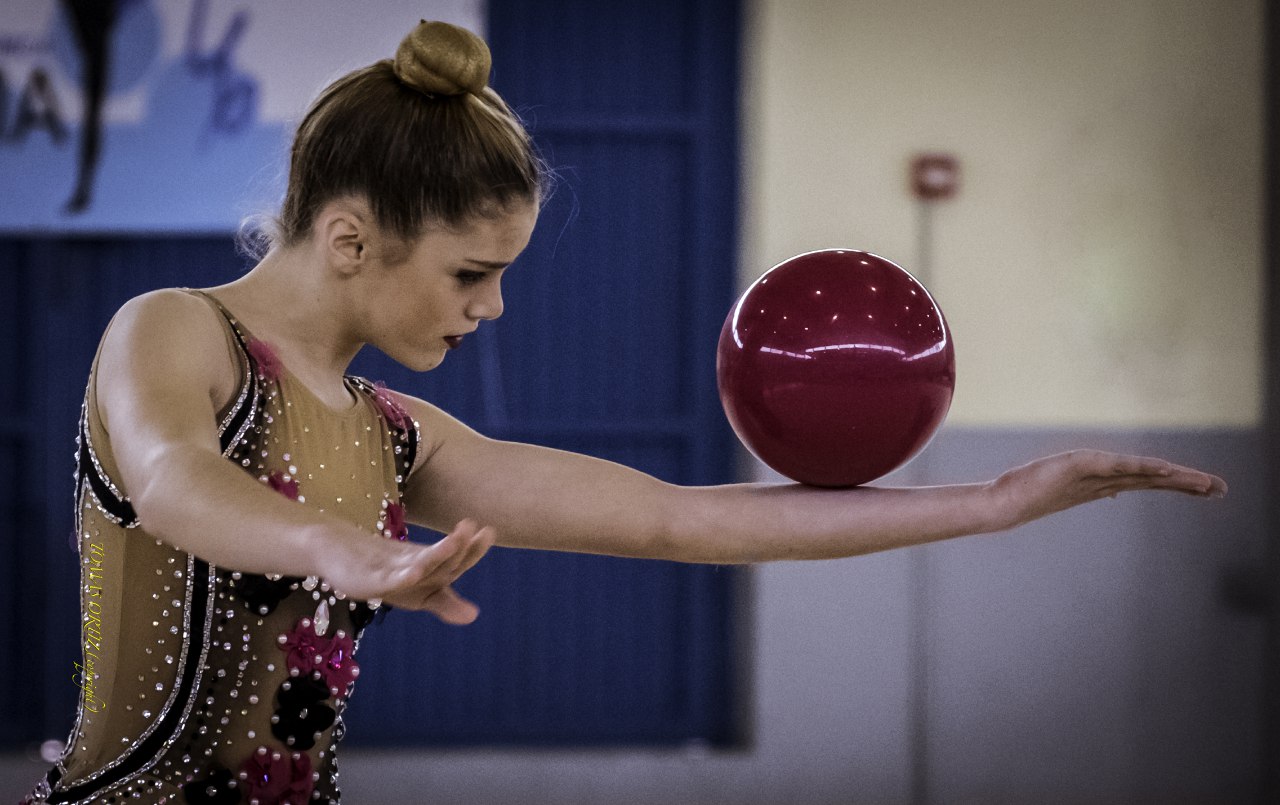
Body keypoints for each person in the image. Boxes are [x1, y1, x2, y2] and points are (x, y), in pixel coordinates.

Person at [25, 19, 1226, 805]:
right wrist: (339, 548)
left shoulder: (394, 432)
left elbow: (677, 520)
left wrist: (988, 502)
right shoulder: (174, 330)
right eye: (469, 273)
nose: (492, 307)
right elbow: (176, 482)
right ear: (349, 238)